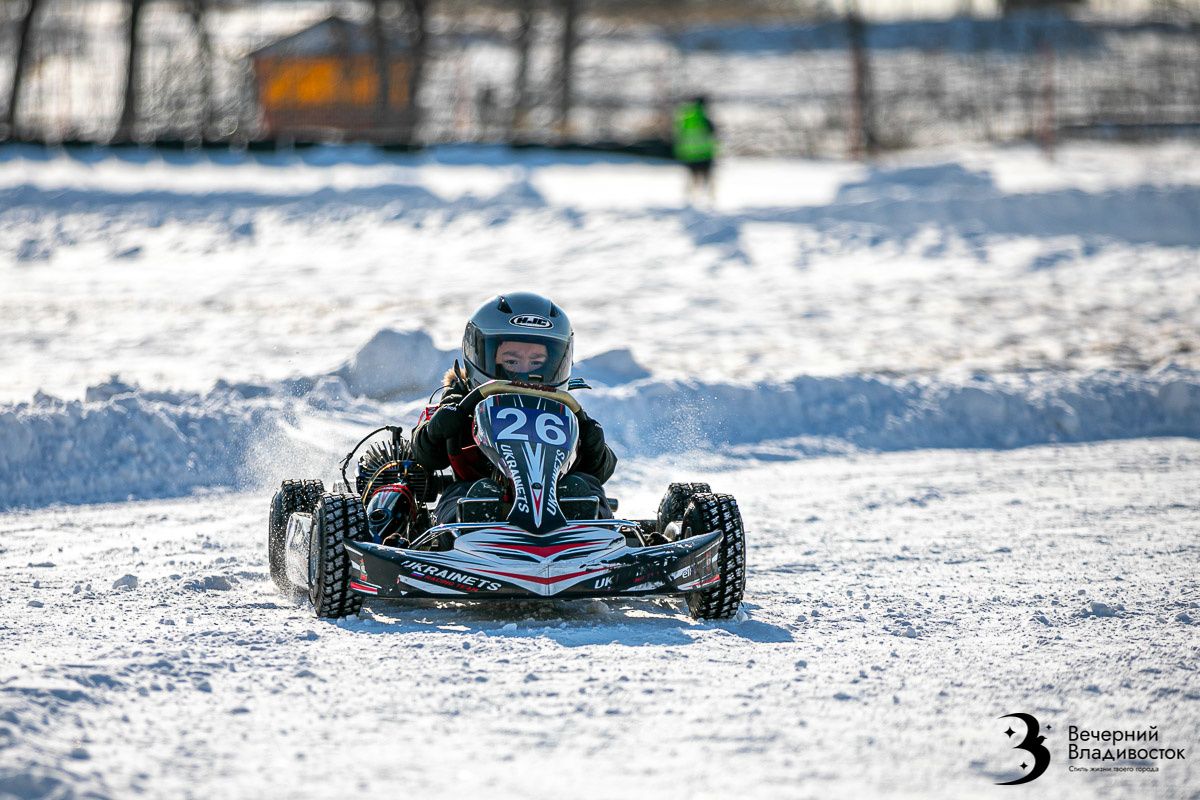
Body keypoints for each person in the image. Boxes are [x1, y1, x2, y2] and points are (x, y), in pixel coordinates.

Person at [410, 292, 617, 526]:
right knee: (468, 495)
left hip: (555, 501)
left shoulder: (564, 408)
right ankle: (463, 538)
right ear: (481, 355)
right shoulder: (459, 399)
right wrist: (436, 430)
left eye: (537, 363)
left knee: (583, 487)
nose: (525, 373)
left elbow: (600, 472)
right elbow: (423, 456)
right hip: (477, 496)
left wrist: (593, 445)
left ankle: (595, 540)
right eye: (511, 362)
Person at [673, 95, 718, 204]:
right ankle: (710, 198)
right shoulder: (705, 118)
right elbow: (713, 133)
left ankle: (690, 198)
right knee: (707, 177)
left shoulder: (686, 118)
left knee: (692, 177)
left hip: (689, 153)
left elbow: (679, 135)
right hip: (705, 153)